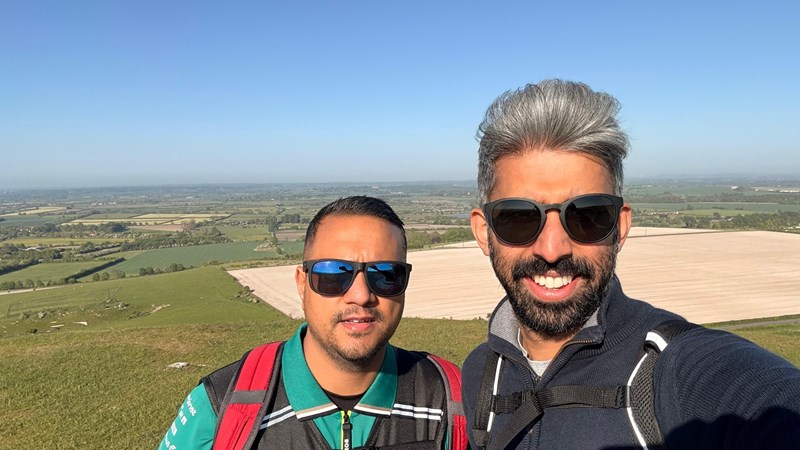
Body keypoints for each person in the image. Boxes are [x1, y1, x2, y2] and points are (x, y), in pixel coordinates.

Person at [461, 79, 800, 449]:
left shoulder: (670, 368)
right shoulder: (481, 373)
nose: (553, 249)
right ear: (484, 231)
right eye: (519, 218)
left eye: (587, 216)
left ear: (620, 227)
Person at [159, 196, 465, 450]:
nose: (361, 295)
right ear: (302, 284)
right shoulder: (221, 405)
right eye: (333, 274)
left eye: (386, 274)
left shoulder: (451, 400)